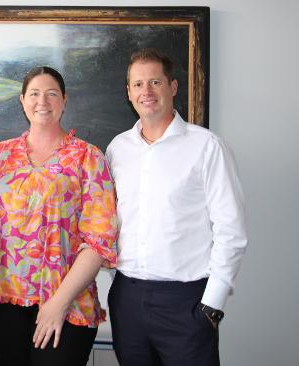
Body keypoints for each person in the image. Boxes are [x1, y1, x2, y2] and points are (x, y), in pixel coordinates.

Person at [105, 48, 248, 366]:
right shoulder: (117, 150)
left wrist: (212, 305)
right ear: (128, 92)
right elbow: (110, 219)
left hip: (187, 303)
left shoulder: (207, 147)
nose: (147, 91)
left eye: (155, 81)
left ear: (172, 86)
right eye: (138, 84)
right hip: (127, 298)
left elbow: (231, 230)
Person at [0, 66, 118, 366]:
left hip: (68, 305)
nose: (42, 101)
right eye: (34, 94)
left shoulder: (87, 157)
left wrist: (57, 304)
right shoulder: (1, 155)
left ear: (64, 100)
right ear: (22, 100)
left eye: (51, 93)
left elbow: (99, 241)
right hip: (5, 302)